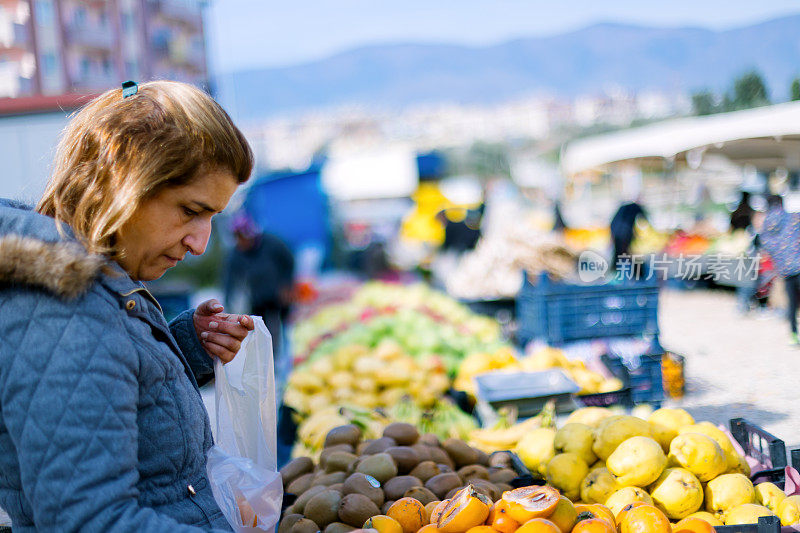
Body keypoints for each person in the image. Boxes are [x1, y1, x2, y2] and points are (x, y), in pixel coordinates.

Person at [0, 81, 255, 531]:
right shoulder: (63, 307)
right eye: (190, 210)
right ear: (122, 181)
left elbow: (107, 382)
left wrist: (186, 347)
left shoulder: (98, 283)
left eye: (212, 217)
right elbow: (90, 520)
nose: (201, 243)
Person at [224, 214, 295, 361]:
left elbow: (288, 260)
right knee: (260, 330)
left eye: (241, 237)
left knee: (285, 326)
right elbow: (229, 279)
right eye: (236, 238)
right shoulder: (237, 253)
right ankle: (268, 360)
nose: (240, 241)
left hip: (279, 293)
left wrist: (287, 284)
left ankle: (287, 356)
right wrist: (227, 302)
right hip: (258, 296)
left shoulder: (271, 243)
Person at [758, 194, 800, 344]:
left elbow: (766, 244)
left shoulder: (766, 224)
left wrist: (780, 257)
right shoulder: (794, 217)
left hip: (785, 268)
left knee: (792, 303)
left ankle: (794, 335)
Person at [609, 198, 647, 270]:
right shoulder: (634, 208)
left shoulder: (624, 209)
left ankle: (615, 272)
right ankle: (638, 272)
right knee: (623, 253)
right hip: (622, 233)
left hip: (619, 233)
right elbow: (644, 218)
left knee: (620, 254)